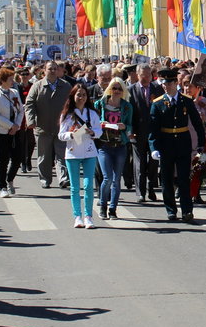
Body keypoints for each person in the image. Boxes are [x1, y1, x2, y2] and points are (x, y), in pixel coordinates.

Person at [149, 68, 206, 223]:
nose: (166, 86)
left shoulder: (186, 100)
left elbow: (197, 123)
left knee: (183, 179)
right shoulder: (157, 103)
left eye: (169, 83)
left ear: (175, 83)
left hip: (182, 143)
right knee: (167, 179)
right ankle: (171, 210)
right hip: (166, 144)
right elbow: (153, 128)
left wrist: (201, 143)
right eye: (164, 83)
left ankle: (187, 210)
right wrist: (154, 148)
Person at [58, 85, 103, 229]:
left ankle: (88, 216)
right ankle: (77, 216)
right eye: (78, 94)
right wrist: (71, 134)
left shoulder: (92, 114)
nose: (81, 97)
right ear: (73, 96)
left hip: (89, 152)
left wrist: (92, 132)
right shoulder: (67, 115)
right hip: (73, 153)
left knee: (88, 186)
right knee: (75, 187)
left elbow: (99, 131)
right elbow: (61, 135)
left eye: (84, 94)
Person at [25, 61, 72, 189]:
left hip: (61, 127)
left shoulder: (66, 86)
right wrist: (31, 120)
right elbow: (29, 103)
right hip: (43, 127)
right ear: (44, 71)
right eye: (50, 69)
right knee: (44, 156)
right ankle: (45, 179)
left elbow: (71, 104)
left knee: (62, 154)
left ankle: (63, 178)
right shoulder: (37, 86)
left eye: (55, 69)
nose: (53, 71)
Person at [94, 78, 133, 220]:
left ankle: (113, 209)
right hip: (104, 146)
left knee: (116, 180)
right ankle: (103, 206)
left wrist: (125, 127)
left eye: (119, 89)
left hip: (120, 146)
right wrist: (100, 123)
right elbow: (92, 122)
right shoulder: (100, 104)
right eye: (114, 88)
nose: (116, 91)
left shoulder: (127, 106)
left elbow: (130, 125)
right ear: (109, 89)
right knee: (107, 178)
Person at [128, 64, 163, 203]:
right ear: (138, 75)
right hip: (138, 132)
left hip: (154, 132)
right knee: (140, 163)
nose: (147, 78)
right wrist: (130, 131)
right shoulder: (131, 90)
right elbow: (128, 113)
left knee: (154, 162)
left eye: (149, 75)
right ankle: (140, 192)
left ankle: (151, 188)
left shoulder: (157, 89)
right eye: (143, 75)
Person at [0, 67, 25, 198]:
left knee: (17, 158)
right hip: (0, 132)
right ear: (3, 81)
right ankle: (2, 187)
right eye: (10, 79)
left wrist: (16, 125)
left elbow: (20, 110)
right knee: (2, 161)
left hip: (15, 131)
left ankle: (10, 179)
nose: (12, 82)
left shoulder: (14, 92)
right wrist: (10, 125)